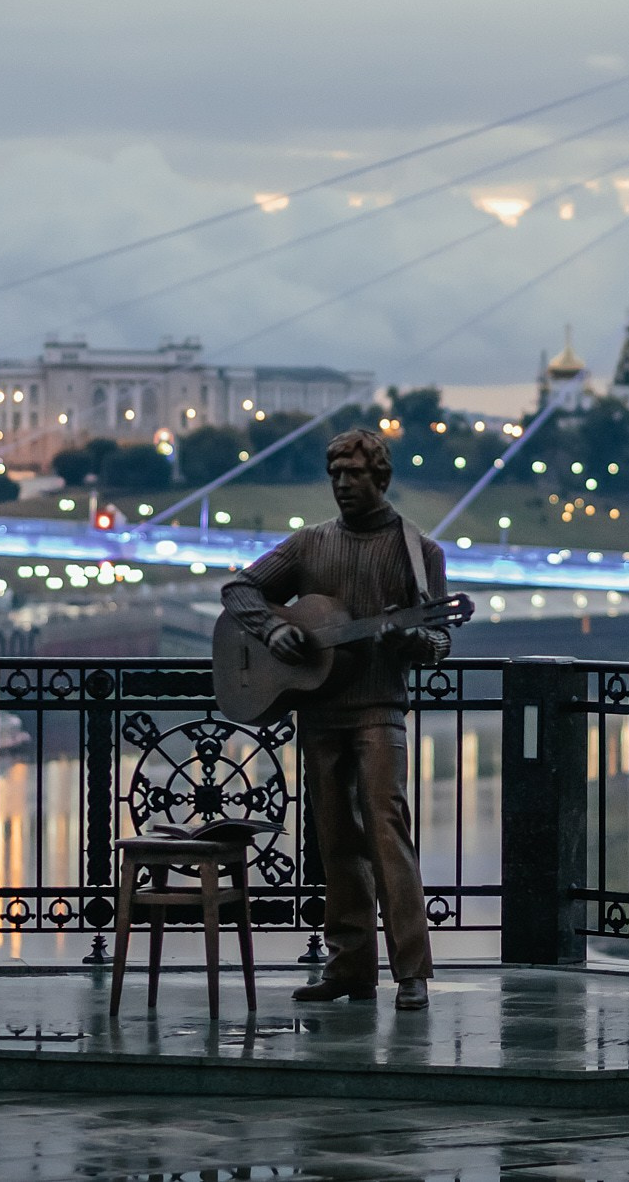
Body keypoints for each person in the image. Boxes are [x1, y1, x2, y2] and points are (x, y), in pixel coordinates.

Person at [219, 427, 449, 1011]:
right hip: (319, 711)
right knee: (334, 841)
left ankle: (412, 972)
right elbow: (240, 588)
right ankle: (350, 967)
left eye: (354, 475)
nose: (342, 485)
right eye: (335, 475)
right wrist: (274, 629)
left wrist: (413, 641)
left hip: (378, 710)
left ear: (382, 478)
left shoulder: (418, 552)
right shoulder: (309, 544)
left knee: (386, 832)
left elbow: (440, 640)